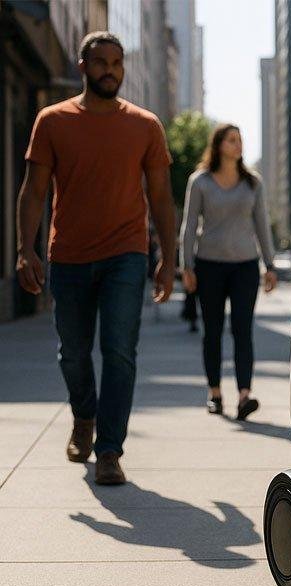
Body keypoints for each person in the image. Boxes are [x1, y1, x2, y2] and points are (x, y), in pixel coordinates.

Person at [16, 32, 177, 485]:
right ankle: (83, 416)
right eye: (101, 62)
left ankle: (109, 450)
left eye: (117, 62)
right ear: (83, 66)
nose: (111, 70)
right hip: (67, 254)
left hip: (127, 253)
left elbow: (162, 198)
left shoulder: (145, 125)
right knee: (72, 352)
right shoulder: (53, 120)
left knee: (120, 351)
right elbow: (33, 192)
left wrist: (168, 257)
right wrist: (23, 249)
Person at [179, 124, 277, 421]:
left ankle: (244, 395)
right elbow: (188, 225)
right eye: (232, 140)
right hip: (209, 265)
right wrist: (187, 266)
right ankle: (215, 393)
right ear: (219, 145)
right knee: (212, 331)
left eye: (240, 140)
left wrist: (269, 265)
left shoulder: (252, 183)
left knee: (242, 330)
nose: (238, 145)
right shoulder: (200, 182)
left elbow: (262, 225)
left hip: (245, 266)